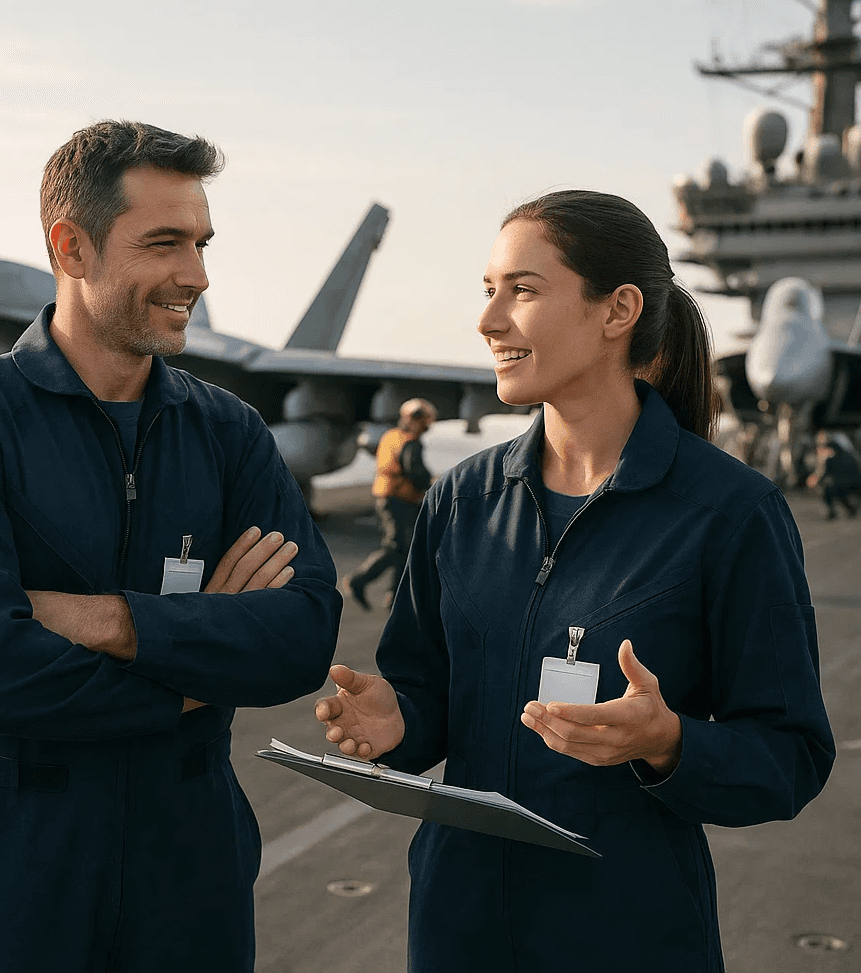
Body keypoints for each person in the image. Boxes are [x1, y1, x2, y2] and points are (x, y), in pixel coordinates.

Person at [315, 190, 834, 972]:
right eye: (487, 291)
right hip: (459, 926)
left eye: (521, 290)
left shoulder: (731, 512)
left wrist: (670, 743)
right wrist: (398, 724)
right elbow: (429, 693)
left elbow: (789, 756)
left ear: (617, 310)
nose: (490, 321)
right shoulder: (462, 499)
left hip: (628, 933)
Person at [0, 120, 342, 973]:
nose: (197, 276)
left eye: (201, 244)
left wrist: (108, 622)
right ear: (71, 246)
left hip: (192, 859)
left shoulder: (229, 433)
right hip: (16, 859)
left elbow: (303, 639)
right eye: (164, 243)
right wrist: (202, 654)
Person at [343, 398, 436, 611]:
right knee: (396, 547)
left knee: (406, 548)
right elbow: (416, 471)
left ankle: (395, 597)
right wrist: (431, 487)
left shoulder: (391, 436)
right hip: (399, 499)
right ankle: (359, 581)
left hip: (389, 497)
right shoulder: (410, 442)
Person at [806, 429, 861, 519]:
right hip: (852, 484)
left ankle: (833, 512)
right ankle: (850, 510)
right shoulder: (848, 456)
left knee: (830, 490)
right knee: (838, 491)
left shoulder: (831, 459)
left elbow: (825, 474)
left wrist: (815, 479)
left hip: (847, 485)